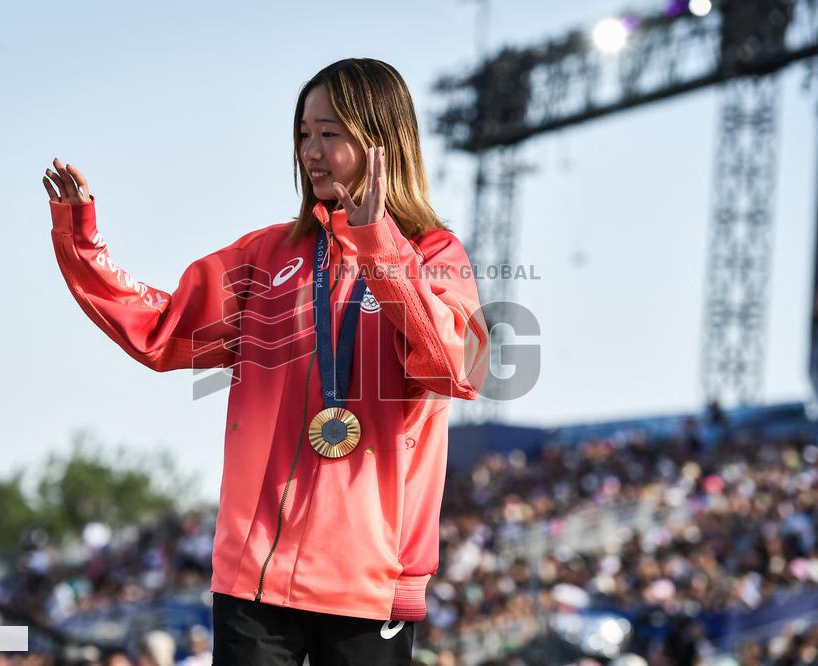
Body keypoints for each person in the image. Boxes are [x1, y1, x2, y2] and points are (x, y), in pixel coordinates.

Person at [42, 58, 490, 665]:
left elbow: (451, 367)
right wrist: (81, 240)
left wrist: (379, 242)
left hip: (370, 581)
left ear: (383, 140)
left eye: (330, 133)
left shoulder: (434, 252)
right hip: (253, 577)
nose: (311, 150)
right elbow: (159, 329)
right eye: (303, 134)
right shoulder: (266, 254)